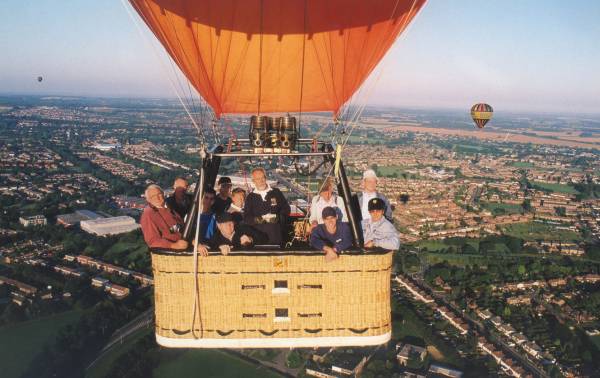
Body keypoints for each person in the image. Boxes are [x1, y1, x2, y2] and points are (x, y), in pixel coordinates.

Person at [244, 168, 290, 246]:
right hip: (258, 239)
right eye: (258, 179)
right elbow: (247, 218)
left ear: (266, 178)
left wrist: (277, 217)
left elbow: (286, 209)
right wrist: (260, 219)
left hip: (276, 237)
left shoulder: (276, 192)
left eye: (263, 177)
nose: (261, 181)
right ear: (253, 181)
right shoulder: (250, 197)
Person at [140, 184, 189, 250]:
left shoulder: (169, 207)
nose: (157, 198)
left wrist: (192, 241)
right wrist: (174, 245)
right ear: (148, 200)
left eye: (159, 194)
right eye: (153, 196)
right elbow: (152, 241)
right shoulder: (148, 214)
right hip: (170, 252)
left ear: (163, 194)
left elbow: (181, 227)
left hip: (184, 244)